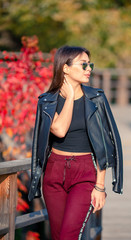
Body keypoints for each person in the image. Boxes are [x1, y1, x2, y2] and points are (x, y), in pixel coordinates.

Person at [28, 46, 123, 240]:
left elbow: (105, 143)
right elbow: (59, 130)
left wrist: (100, 186)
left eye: (90, 64)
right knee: (58, 236)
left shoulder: (96, 98)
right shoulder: (46, 101)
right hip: (54, 173)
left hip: (84, 173)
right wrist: (70, 96)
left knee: (68, 236)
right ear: (65, 68)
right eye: (83, 64)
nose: (89, 68)